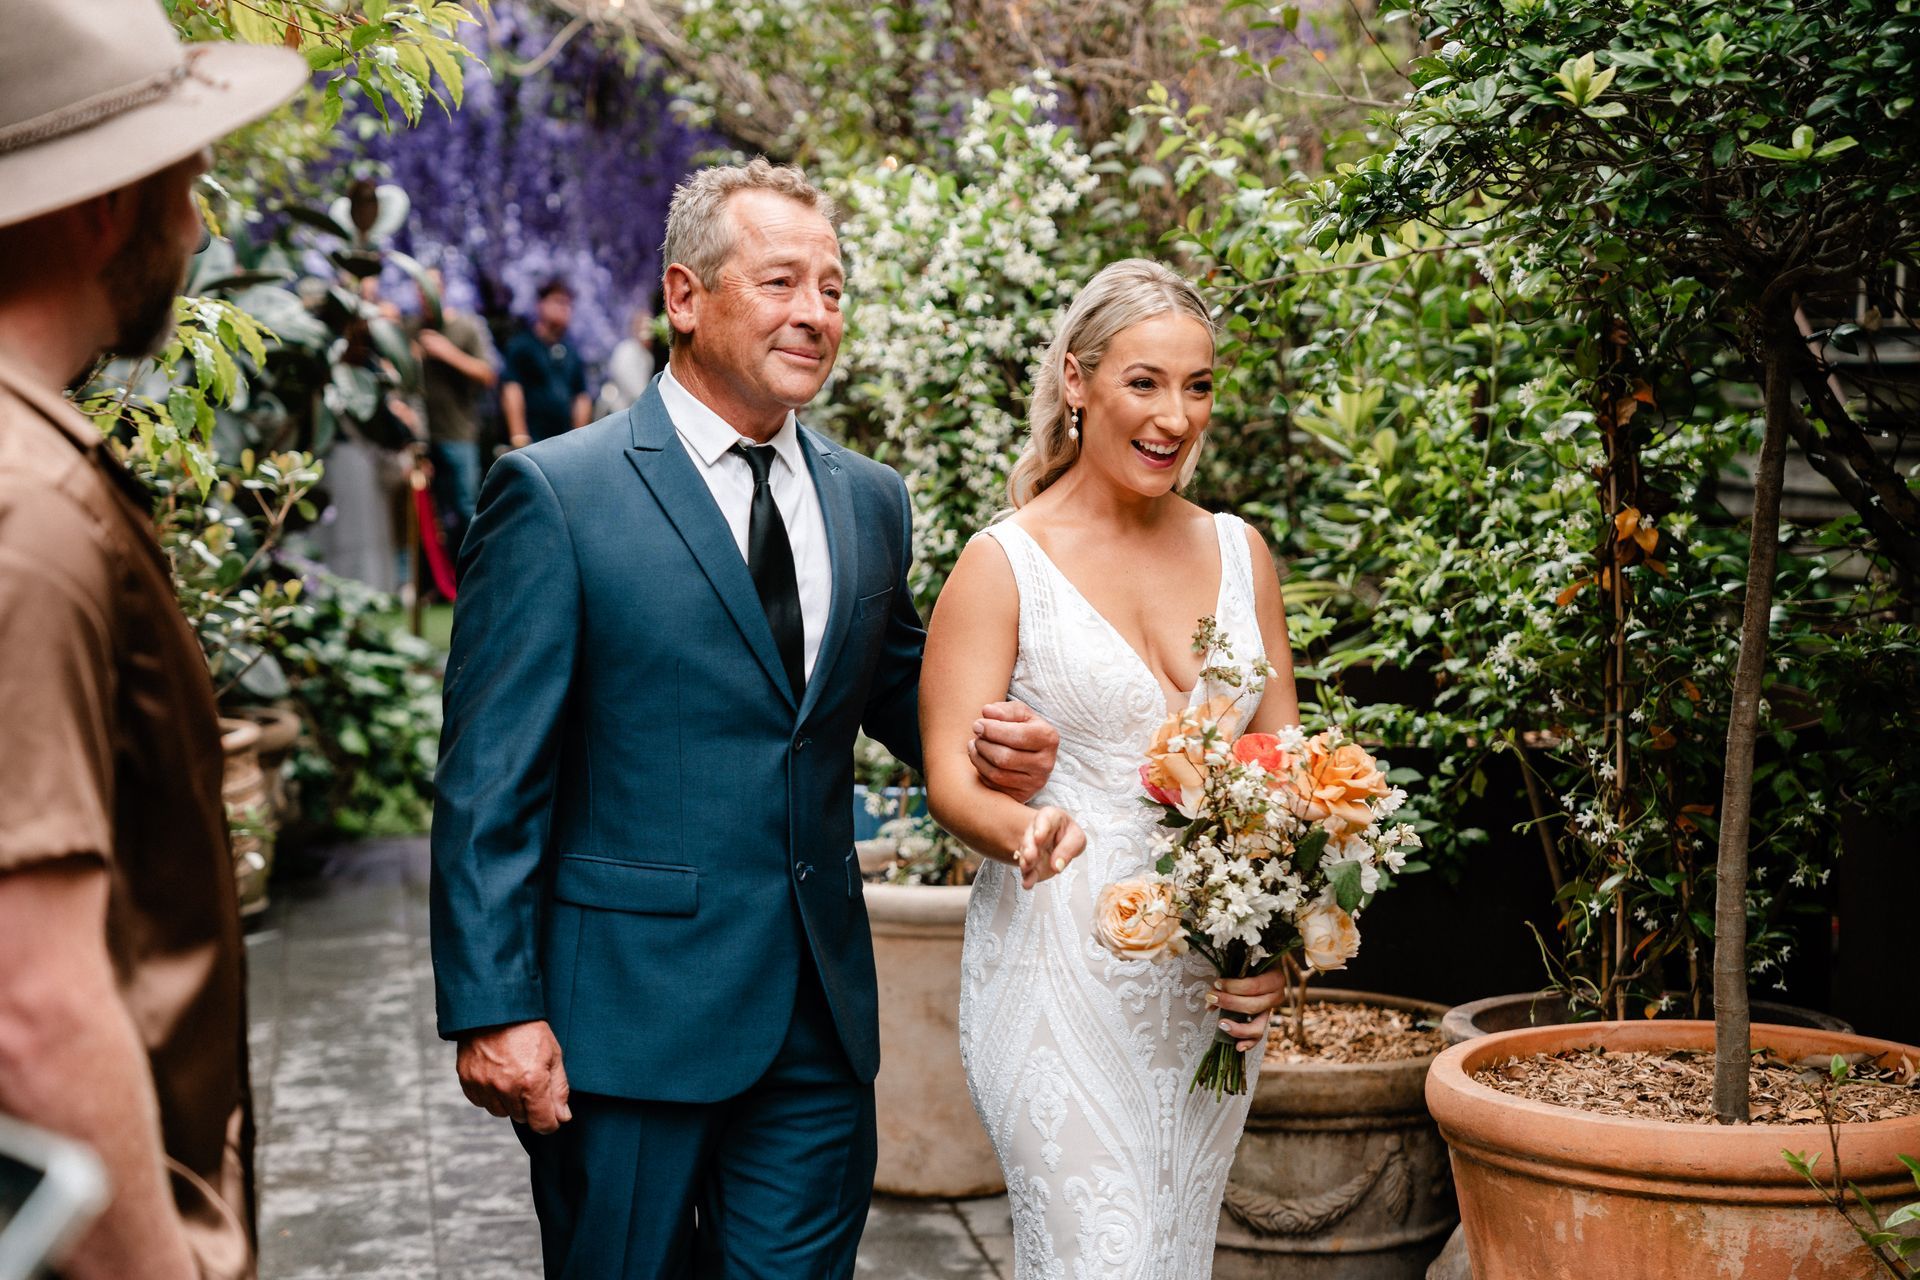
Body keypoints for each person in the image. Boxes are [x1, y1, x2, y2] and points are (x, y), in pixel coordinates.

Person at [431, 159, 1066, 1278]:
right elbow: (490, 775)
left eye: (832, 288)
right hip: (621, 1030)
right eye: (782, 282)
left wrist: (989, 742)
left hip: (817, 1028)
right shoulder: (555, 493)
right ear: (686, 297)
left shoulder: (870, 499)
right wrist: (494, 1005)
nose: (816, 313)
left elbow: (897, 690)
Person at [0, 4, 305, 1278]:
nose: (198, 224)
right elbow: (33, 1004)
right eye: (187, 181)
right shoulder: (32, 513)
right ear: (104, 208)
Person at [921, 259, 1300, 1277]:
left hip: (1208, 990)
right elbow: (949, 774)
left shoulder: (1239, 551)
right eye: (1145, 381)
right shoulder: (1005, 563)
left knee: (1173, 1248)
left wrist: (1274, 944)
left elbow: (1282, 769)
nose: (1176, 414)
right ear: (1078, 381)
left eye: (1200, 384)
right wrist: (1021, 827)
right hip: (1060, 961)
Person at [412, 265, 497, 558]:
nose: (425, 294)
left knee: (465, 507)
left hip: (458, 433)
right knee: (427, 513)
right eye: (420, 288)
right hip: (420, 437)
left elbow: (488, 374)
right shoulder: (410, 329)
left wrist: (445, 352)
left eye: (431, 287)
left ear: (443, 290)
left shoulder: (465, 326)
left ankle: (474, 574)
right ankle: (435, 583)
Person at [500, 278, 590, 448]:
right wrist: (519, 436)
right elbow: (512, 390)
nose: (565, 309)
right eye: (558, 302)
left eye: (568, 304)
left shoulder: (572, 351)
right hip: (531, 443)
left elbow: (581, 398)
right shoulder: (522, 345)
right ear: (540, 305)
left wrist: (580, 441)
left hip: (564, 445)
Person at [595, 306, 658, 417]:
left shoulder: (648, 355)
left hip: (632, 411)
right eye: (643, 327)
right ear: (635, 328)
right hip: (617, 411)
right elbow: (634, 389)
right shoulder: (626, 349)